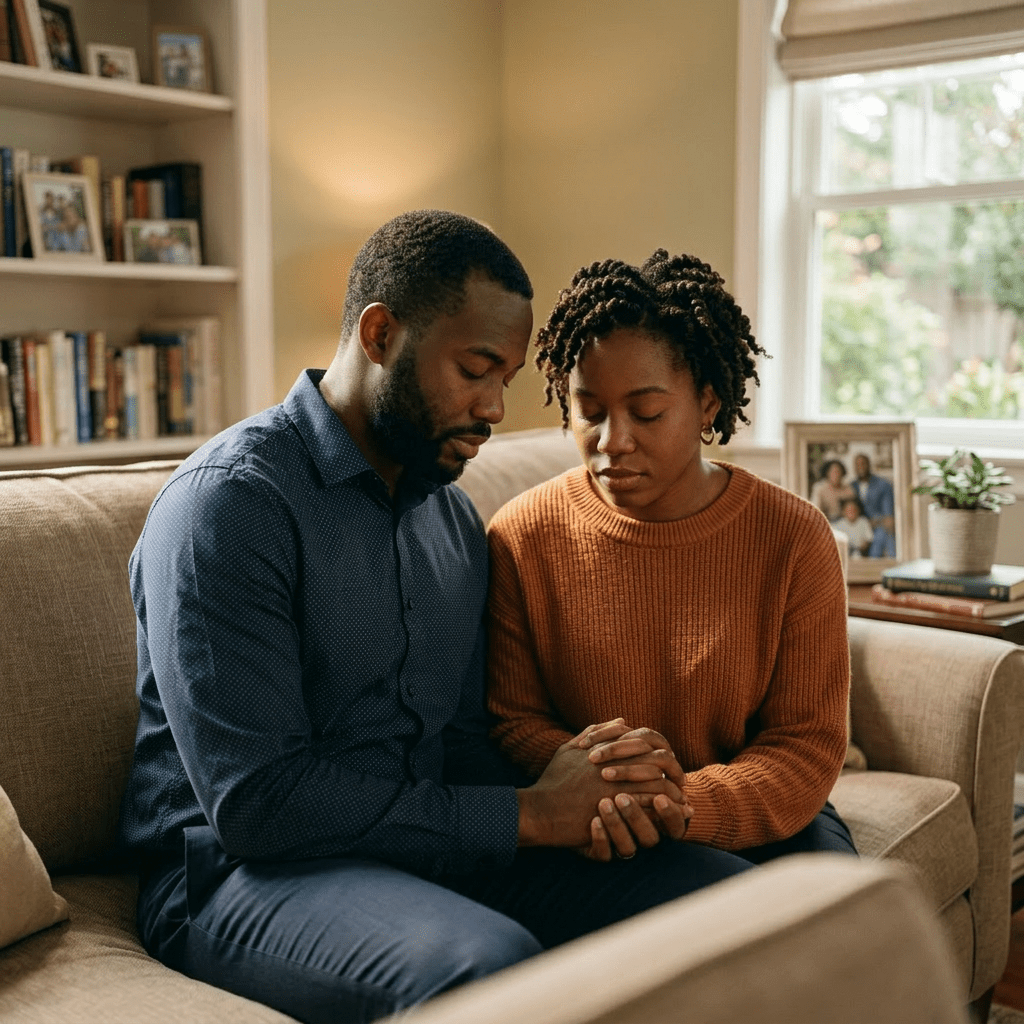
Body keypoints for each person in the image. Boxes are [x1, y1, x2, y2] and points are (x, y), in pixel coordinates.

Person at [117, 212, 745, 1024]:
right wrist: (528, 815)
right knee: (488, 969)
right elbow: (260, 804)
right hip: (237, 873)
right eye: (475, 368)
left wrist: (593, 786)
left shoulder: (449, 520)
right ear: (381, 333)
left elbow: (457, 742)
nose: (493, 407)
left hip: (424, 847)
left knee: (729, 902)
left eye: (508, 378)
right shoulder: (229, 506)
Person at [486, 250, 856, 867]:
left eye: (647, 412)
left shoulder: (793, 536)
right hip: (594, 814)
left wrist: (678, 800)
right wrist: (611, 785)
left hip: (753, 803)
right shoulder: (521, 535)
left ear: (708, 404)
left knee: (838, 924)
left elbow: (805, 745)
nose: (613, 442)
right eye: (590, 411)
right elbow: (515, 720)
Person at [853, 452, 896, 558]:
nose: (861, 467)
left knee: (883, 535)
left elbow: (888, 515)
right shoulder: (851, 486)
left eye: (863, 464)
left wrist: (877, 521)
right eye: (857, 465)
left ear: (869, 465)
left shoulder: (883, 484)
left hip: (878, 524)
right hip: (857, 526)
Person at [810, 458, 855, 522]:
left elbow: (853, 509)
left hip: (844, 522)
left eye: (839, 472)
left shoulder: (848, 488)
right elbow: (815, 509)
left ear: (843, 474)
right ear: (827, 473)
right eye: (833, 472)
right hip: (825, 521)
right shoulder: (819, 488)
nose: (836, 475)